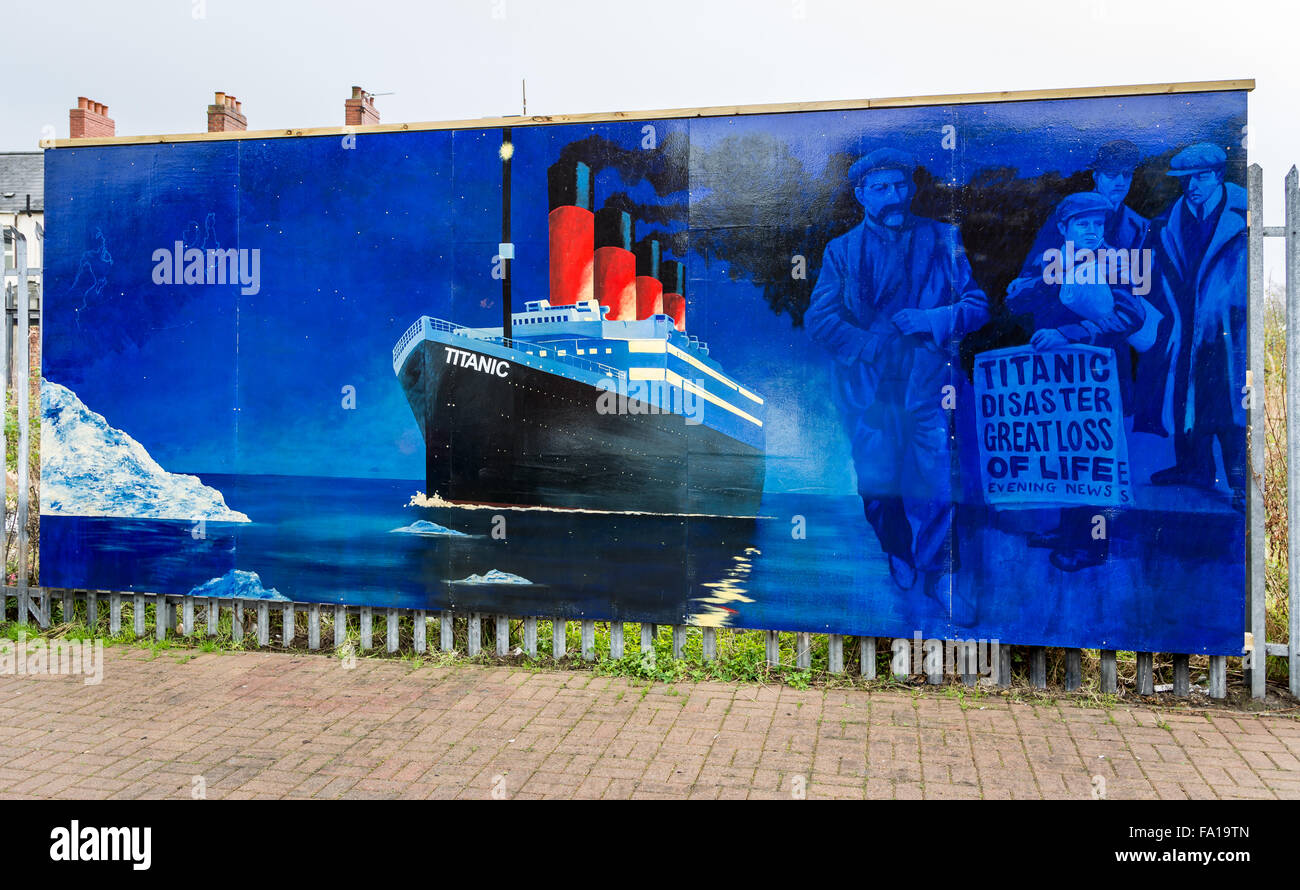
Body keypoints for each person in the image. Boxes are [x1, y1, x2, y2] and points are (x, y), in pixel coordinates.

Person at [806, 148, 989, 598]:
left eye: (901, 185)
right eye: (882, 188)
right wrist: (870, 344)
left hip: (928, 385)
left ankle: (938, 570)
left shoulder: (944, 238)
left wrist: (930, 320)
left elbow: (977, 306)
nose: (895, 196)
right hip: (868, 391)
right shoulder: (841, 251)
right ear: (861, 194)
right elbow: (820, 319)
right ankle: (898, 551)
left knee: (937, 479)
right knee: (876, 484)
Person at [1005, 192, 1144, 571]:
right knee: (1066, 456)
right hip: (1058, 379)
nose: (1091, 231)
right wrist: (1028, 288)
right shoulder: (1048, 261)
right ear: (1063, 227)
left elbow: (1130, 317)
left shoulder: (1114, 262)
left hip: (1099, 378)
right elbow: (1018, 306)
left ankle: (1094, 547)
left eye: (1098, 224)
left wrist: (1070, 332)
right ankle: (1069, 533)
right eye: (1083, 224)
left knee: (1095, 460)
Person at [1145, 143, 1247, 508]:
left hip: (1228, 326)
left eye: (1201, 177)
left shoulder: (1243, 212)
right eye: (1186, 179)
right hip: (1185, 320)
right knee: (1184, 397)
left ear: (1219, 176)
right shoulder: (1172, 219)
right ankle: (1192, 467)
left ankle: (1238, 482)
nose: (1192, 186)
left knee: (1227, 401)